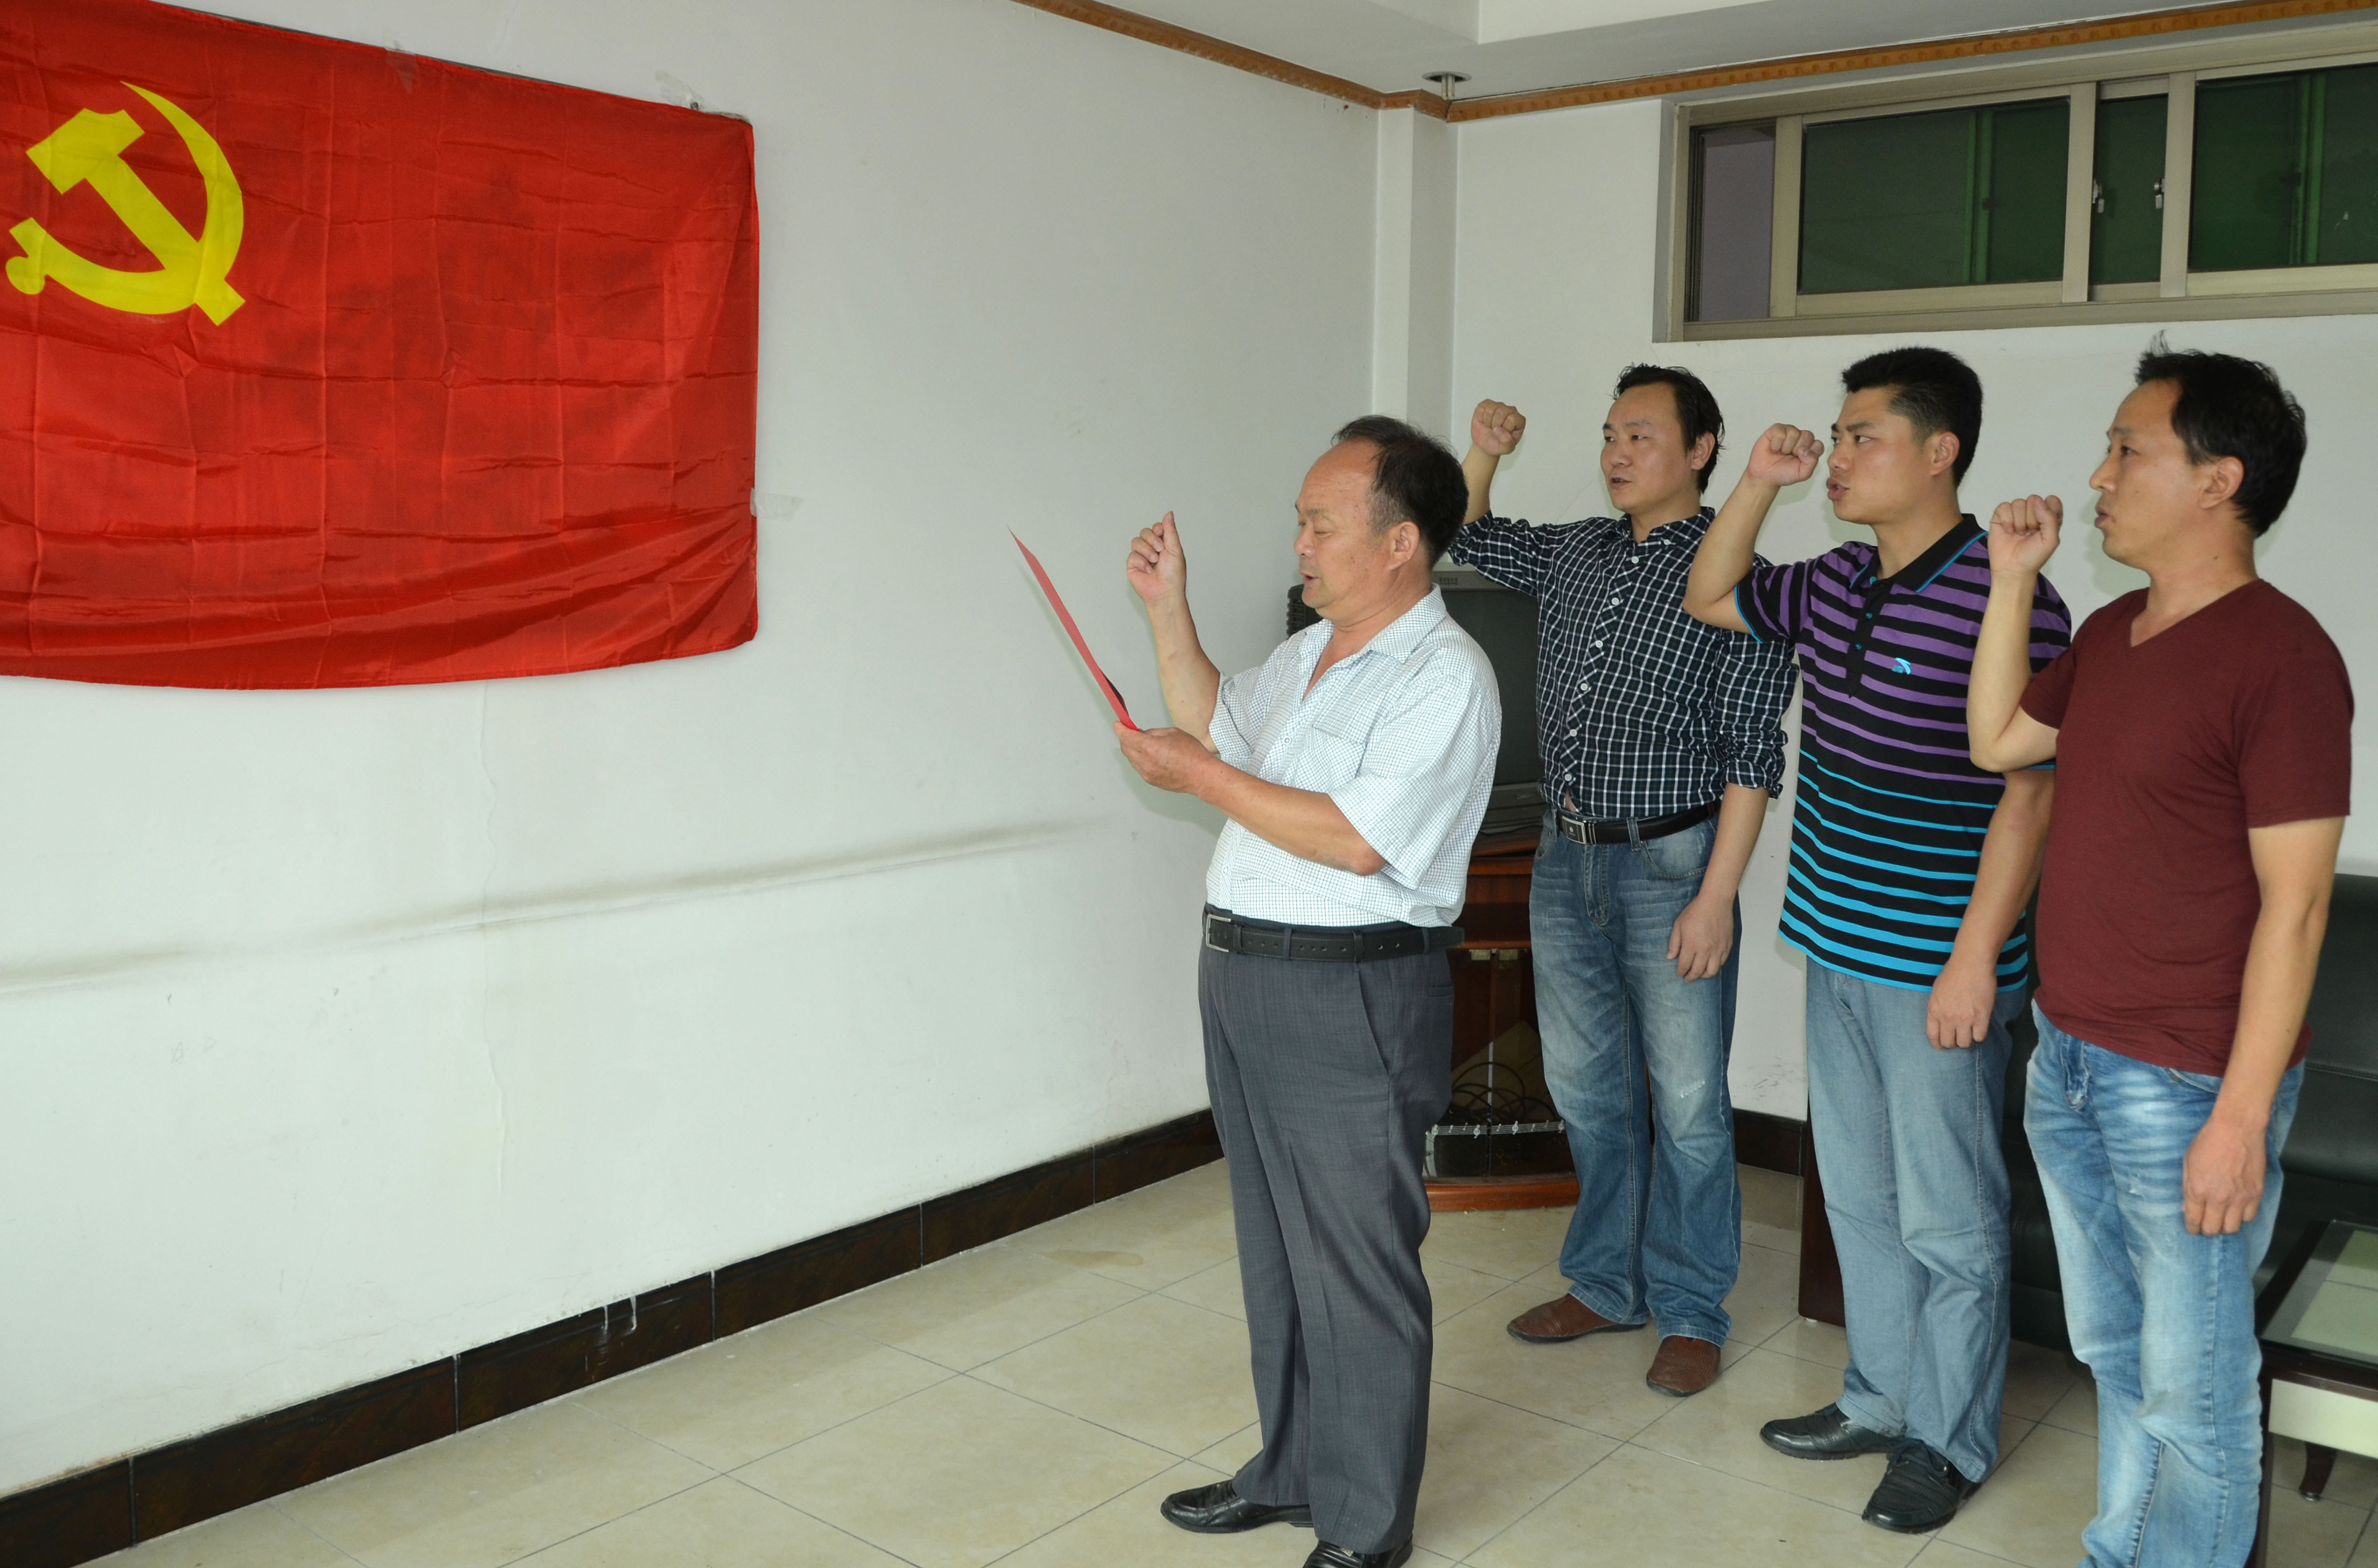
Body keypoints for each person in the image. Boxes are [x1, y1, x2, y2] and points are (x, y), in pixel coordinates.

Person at [1966, 344, 2351, 1568]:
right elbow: (1996, 741)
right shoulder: (2115, 629)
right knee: (2117, 1356)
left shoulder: (2284, 658)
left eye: (2129, 451)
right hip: (2071, 1056)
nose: (2100, 475)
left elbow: (2298, 910)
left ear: (2218, 480)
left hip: (2185, 1082)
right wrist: (2010, 582)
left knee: (2197, 1392)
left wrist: (2239, 1120)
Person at [1681, 346, 2069, 1534]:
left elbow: (2032, 795)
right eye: (1838, 437)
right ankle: (1881, 1396)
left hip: (1939, 968)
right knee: (1855, 1194)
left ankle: (1947, 1442)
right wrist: (1757, 482)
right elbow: (1710, 595)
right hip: (1835, 939)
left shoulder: (2014, 595)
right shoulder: (1838, 577)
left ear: (1940, 452)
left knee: (1950, 1217)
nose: (1839, 457)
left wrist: (1975, 961)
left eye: (1863, 438)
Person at [1116, 415, 1499, 1568]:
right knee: (1277, 1242)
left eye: (1321, 525)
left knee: (1355, 1263)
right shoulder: (1308, 654)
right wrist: (1166, 611)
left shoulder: (1443, 676)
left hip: (1351, 991)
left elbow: (1355, 840)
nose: (1301, 545)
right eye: (1301, 523)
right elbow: (1214, 725)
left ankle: (1366, 1523)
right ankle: (1289, 1468)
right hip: (1246, 975)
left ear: (1401, 542)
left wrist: (1203, 778)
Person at [1450, 368, 1795, 1397]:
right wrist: (1484, 453)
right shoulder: (1574, 551)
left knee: (1687, 1105)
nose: (1616, 452)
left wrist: (1716, 898)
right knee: (1587, 1092)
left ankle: (1691, 1310)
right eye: (1609, 434)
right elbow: (1469, 532)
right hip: (1565, 860)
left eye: (1641, 435)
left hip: (1673, 866)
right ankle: (1606, 1285)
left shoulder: (1738, 577)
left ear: (1700, 450)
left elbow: (1753, 754)